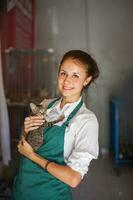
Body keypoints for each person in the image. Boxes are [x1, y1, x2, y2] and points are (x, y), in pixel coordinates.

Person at [13, 50, 99, 200]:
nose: (66, 81)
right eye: (63, 73)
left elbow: (73, 179)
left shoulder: (86, 120)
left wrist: (32, 156)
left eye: (75, 75)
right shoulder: (45, 104)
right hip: (22, 189)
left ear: (86, 80)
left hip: (50, 194)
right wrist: (25, 132)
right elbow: (23, 145)